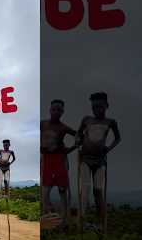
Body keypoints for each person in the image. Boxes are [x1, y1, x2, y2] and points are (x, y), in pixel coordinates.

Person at [76, 92, 121, 222]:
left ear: (106, 106)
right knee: (85, 187)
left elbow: (118, 138)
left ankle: (101, 220)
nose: (97, 109)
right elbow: (78, 134)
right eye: (94, 107)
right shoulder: (87, 120)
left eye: (100, 106)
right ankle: (82, 218)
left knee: (98, 190)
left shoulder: (111, 122)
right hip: (85, 158)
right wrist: (77, 141)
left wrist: (109, 148)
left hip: (100, 160)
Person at [40, 99, 77, 218]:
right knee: (45, 192)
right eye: (54, 109)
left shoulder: (63, 127)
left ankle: (64, 220)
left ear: (62, 112)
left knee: (62, 190)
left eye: (59, 110)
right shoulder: (42, 124)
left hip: (60, 160)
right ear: (50, 110)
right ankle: (47, 217)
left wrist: (68, 149)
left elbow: (79, 136)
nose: (56, 112)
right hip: (46, 160)